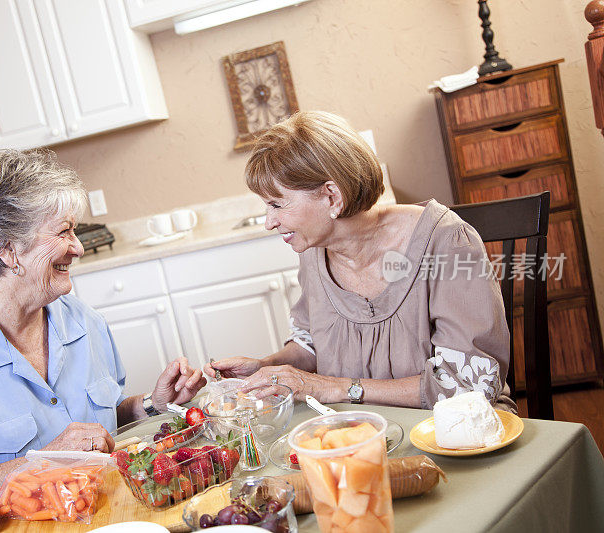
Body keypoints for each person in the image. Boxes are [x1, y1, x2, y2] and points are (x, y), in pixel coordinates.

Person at [0, 149, 207, 532]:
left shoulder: (84, 321)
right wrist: (42, 463)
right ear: (8, 250)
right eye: (64, 231)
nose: (79, 247)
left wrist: (150, 405)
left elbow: (95, 426)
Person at [205, 111, 515, 413]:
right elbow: (310, 344)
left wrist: (335, 388)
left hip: (455, 433)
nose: (269, 223)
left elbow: (470, 387)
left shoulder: (446, 240)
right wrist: (265, 367)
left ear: (331, 197)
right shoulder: (314, 249)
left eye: (277, 204)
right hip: (361, 432)